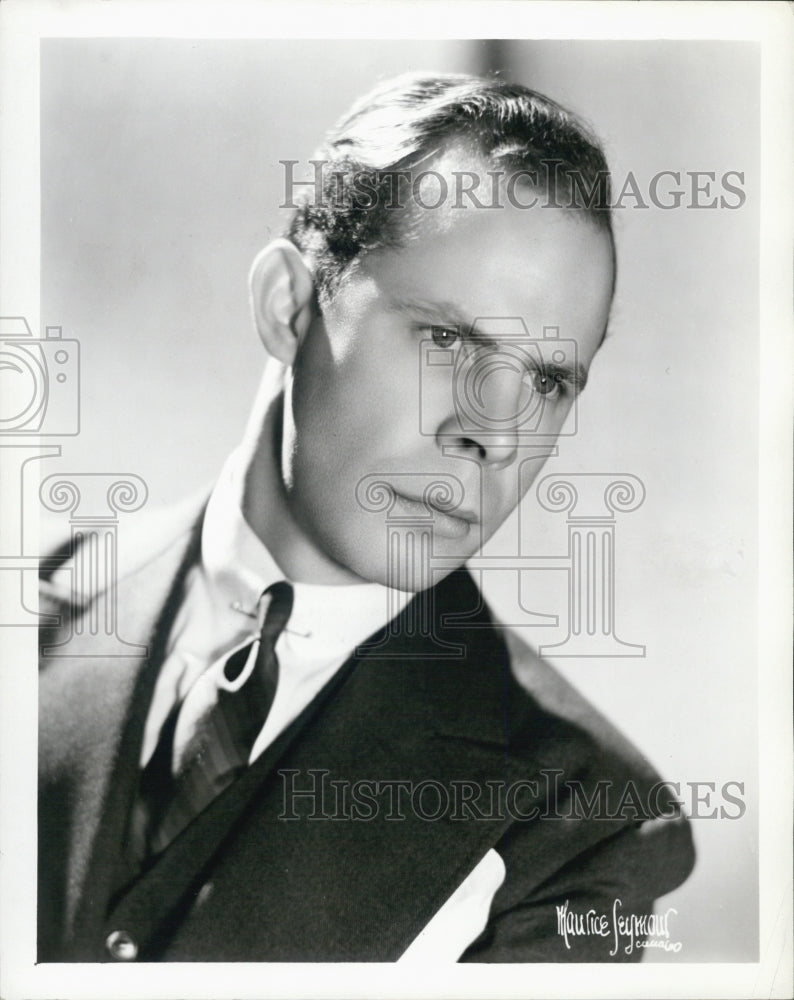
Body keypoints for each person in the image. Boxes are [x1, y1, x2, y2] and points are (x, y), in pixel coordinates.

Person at [38, 72, 694, 963]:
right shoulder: (46, 601)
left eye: (547, 381)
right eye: (449, 339)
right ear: (291, 306)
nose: (491, 435)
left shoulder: (588, 829)